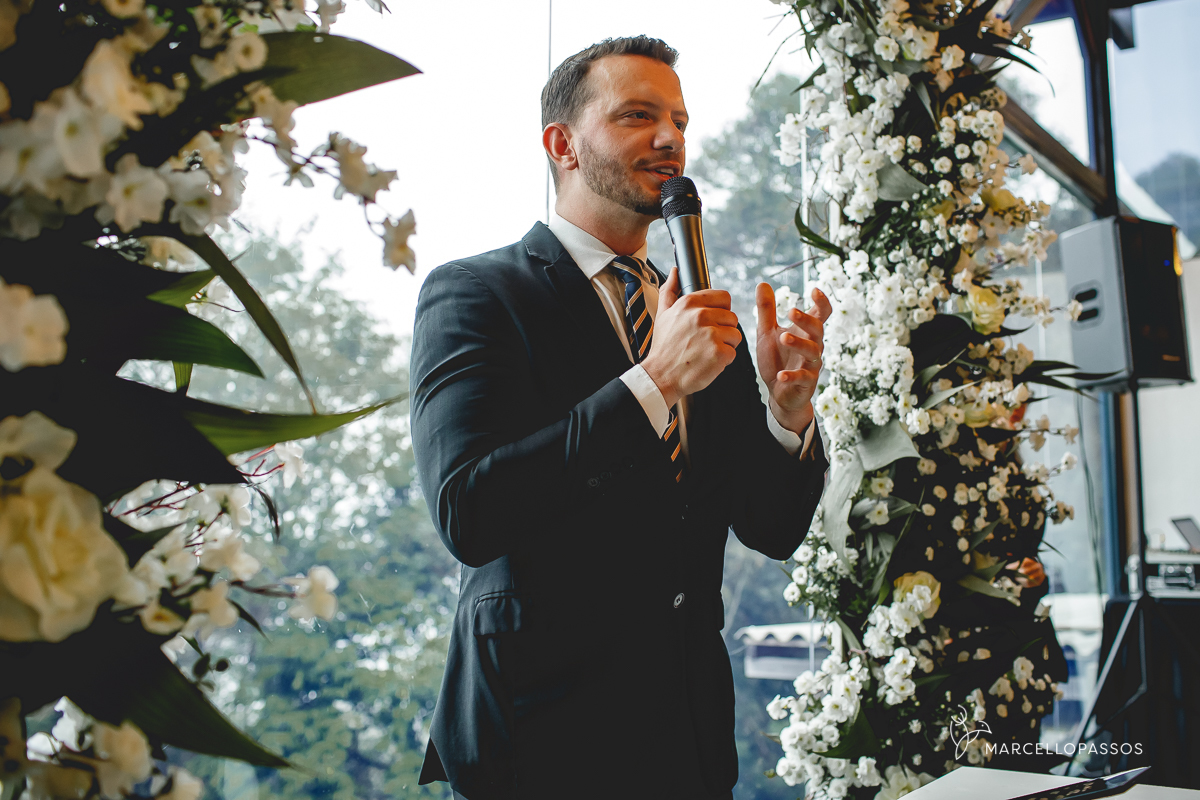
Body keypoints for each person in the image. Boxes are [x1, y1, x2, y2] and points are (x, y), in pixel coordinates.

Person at [409, 35, 830, 800]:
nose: (670, 138)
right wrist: (656, 379)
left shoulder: (699, 318)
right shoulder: (477, 295)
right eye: (638, 115)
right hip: (538, 743)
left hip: (687, 741)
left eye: (679, 120)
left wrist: (786, 413)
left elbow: (771, 529)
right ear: (562, 145)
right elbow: (470, 510)